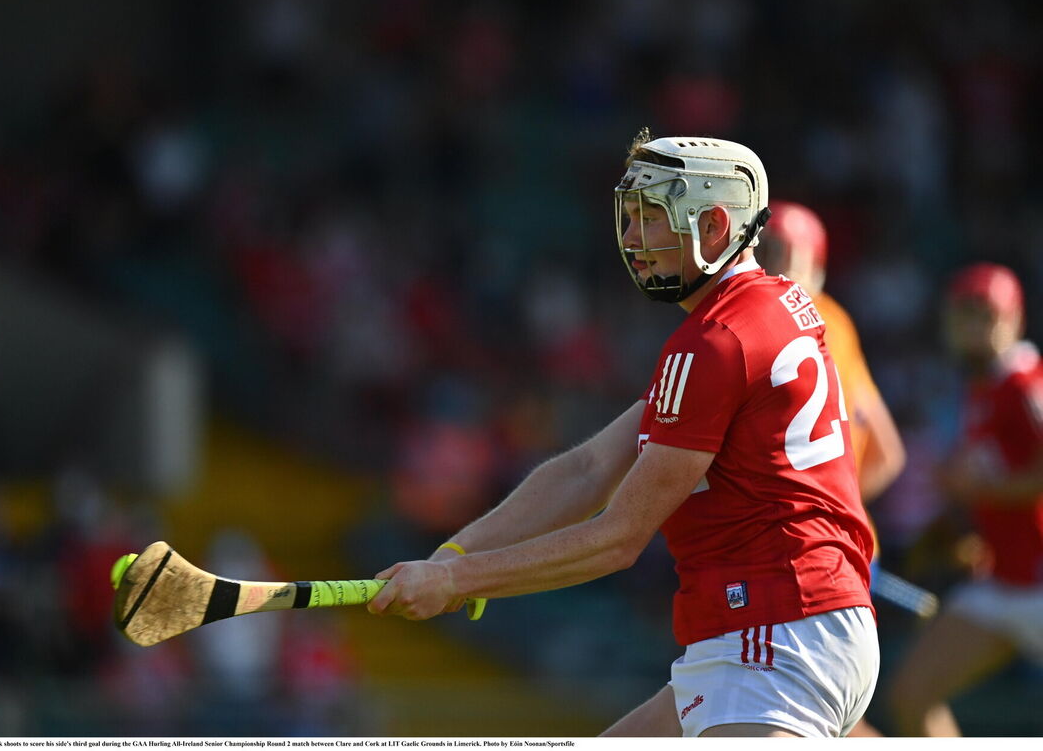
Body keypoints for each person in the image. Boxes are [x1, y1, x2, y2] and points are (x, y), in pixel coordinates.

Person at [368, 130, 879, 737]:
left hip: (775, 639)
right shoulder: (764, 309)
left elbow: (618, 538)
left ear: (714, 227)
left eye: (652, 218)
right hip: (767, 638)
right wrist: (455, 554)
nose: (632, 240)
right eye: (629, 217)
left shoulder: (717, 343)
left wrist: (457, 582)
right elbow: (587, 470)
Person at [758, 200, 908, 739]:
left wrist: (822, 508)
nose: (773, 267)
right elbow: (888, 452)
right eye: (765, 252)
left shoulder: (810, 326)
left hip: (812, 555)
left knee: (803, 713)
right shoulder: (835, 321)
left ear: (817, 268)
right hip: (832, 549)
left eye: (785, 256)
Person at [888, 262, 1043, 737]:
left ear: (1015, 320)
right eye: (964, 315)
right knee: (910, 698)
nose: (973, 329)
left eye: (986, 316)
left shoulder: (1024, 384)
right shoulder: (985, 385)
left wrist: (982, 493)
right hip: (1004, 582)